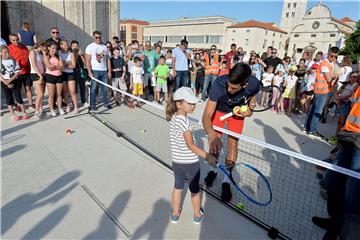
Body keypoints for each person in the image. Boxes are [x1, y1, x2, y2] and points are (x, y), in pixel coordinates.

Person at [202, 63, 261, 202]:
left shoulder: (254, 84)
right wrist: (211, 135)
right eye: (229, 85)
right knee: (215, 145)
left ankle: (226, 180)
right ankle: (214, 170)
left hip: (236, 114)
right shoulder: (219, 83)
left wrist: (249, 111)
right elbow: (206, 115)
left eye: (233, 87)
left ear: (245, 84)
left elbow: (252, 100)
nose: (229, 89)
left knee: (232, 144)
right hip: (220, 111)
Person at [312, 86, 360, 239]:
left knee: (353, 194)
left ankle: (345, 233)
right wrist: (342, 133)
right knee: (332, 180)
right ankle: (335, 222)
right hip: (349, 138)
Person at [166, 86, 217, 224]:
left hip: (177, 162)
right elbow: (191, 145)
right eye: (190, 103)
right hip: (190, 164)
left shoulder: (174, 118)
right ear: (179, 104)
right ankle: (197, 214)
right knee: (194, 190)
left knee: (178, 187)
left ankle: (175, 213)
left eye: (194, 103)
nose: (193, 106)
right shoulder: (185, 123)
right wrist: (207, 156)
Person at [304, 47, 339, 138]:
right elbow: (328, 78)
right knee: (317, 112)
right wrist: (335, 74)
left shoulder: (330, 63)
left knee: (314, 109)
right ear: (328, 54)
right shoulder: (324, 64)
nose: (333, 58)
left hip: (322, 90)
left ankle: (307, 127)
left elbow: (331, 75)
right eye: (332, 56)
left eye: (335, 57)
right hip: (321, 91)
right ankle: (312, 130)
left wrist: (333, 70)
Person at [85, 31, 112, 111]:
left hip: (104, 71)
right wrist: (89, 72)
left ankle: (105, 102)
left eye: (99, 37)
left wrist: (109, 71)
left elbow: (107, 60)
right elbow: (87, 60)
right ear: (93, 37)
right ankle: (93, 104)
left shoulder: (104, 47)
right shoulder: (90, 47)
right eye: (96, 37)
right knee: (94, 88)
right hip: (95, 71)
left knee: (104, 89)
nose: (98, 39)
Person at [0, 46, 29, 121]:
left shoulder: (13, 61)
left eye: (8, 52)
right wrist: (5, 82)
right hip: (4, 81)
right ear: (0, 53)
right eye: (5, 52)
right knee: (8, 98)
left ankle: (24, 112)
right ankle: (12, 114)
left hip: (14, 80)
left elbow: (17, 73)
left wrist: (9, 81)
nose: (7, 54)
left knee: (18, 97)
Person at [8, 34, 34, 110]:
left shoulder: (24, 47)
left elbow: (28, 57)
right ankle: (19, 105)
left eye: (17, 39)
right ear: (10, 40)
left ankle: (31, 104)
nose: (16, 41)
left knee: (28, 88)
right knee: (18, 90)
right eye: (14, 40)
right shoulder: (9, 48)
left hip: (26, 71)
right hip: (17, 73)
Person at [43, 42, 64, 116]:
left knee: (59, 94)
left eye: (56, 48)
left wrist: (55, 66)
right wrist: (57, 66)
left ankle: (60, 108)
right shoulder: (46, 56)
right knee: (51, 95)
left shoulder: (58, 56)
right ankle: (52, 110)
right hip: (50, 76)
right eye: (53, 48)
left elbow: (62, 67)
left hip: (59, 76)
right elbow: (49, 67)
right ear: (48, 48)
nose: (55, 50)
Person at [58, 40, 79, 114]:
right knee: (65, 92)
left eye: (67, 45)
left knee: (73, 91)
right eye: (65, 45)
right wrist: (67, 64)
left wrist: (65, 64)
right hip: (62, 74)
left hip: (70, 74)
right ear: (61, 45)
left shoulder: (71, 54)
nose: (66, 47)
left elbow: (73, 66)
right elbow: (60, 66)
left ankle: (76, 107)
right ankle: (68, 106)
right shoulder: (58, 53)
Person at [29, 41, 47, 118]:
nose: (45, 48)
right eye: (44, 46)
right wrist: (40, 75)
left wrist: (45, 72)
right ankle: (36, 112)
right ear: (41, 45)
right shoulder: (33, 51)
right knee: (40, 94)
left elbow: (42, 63)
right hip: (35, 74)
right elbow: (33, 64)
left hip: (42, 74)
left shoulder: (40, 53)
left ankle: (40, 109)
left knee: (42, 93)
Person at [71, 40, 87, 105]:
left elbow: (85, 63)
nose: (75, 47)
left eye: (77, 46)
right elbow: (73, 63)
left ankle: (83, 101)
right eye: (74, 46)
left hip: (81, 72)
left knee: (82, 88)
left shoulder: (81, 54)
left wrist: (82, 55)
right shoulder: (70, 54)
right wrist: (75, 55)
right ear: (71, 47)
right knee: (74, 89)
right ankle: (74, 102)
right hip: (73, 73)